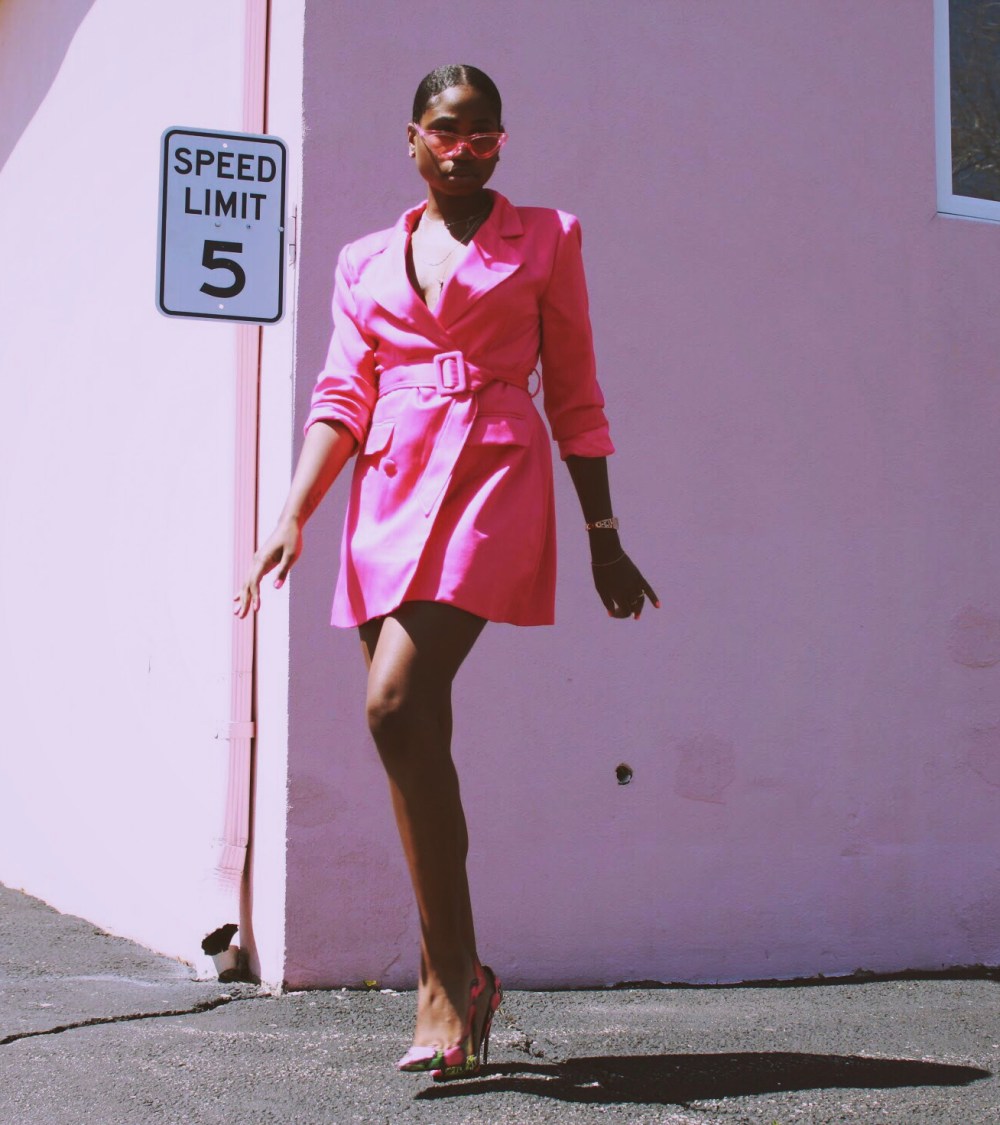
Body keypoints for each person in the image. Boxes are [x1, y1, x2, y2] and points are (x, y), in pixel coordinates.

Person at [234, 64, 658, 1080]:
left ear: (500, 143)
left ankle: (444, 970)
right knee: (414, 732)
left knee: (392, 705)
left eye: (484, 137)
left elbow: (578, 387)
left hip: (490, 478)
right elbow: (343, 391)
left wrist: (601, 530)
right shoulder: (363, 260)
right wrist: (295, 511)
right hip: (386, 489)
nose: (463, 152)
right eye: (444, 133)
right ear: (412, 140)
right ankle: (461, 980)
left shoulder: (548, 238)